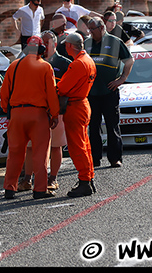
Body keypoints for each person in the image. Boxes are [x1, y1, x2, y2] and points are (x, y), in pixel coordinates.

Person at [0, 35, 60, 200]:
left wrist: (8, 111)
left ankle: (10, 188)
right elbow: (51, 95)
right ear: (41, 50)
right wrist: (54, 114)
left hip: (17, 115)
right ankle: (40, 190)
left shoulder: (14, 66)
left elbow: (4, 93)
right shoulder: (45, 67)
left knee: (15, 153)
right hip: (38, 115)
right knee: (40, 154)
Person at [18, 30, 72, 192]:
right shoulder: (30, 62)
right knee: (30, 147)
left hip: (57, 112)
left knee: (56, 147)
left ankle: (53, 179)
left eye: (46, 43)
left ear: (54, 44)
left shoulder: (65, 64)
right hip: (36, 111)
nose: (43, 46)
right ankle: (27, 179)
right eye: (42, 43)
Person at [85, 17, 133, 168]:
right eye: (89, 29)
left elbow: (129, 60)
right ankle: (95, 158)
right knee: (93, 126)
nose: (90, 32)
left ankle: (115, 158)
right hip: (91, 92)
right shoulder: (87, 43)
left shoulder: (114, 42)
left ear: (101, 28)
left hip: (109, 91)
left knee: (112, 126)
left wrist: (122, 78)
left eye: (92, 29)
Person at [57, 33, 98, 197]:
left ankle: (85, 181)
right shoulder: (88, 60)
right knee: (84, 144)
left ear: (69, 46)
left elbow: (62, 88)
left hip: (75, 106)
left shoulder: (78, 64)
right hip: (82, 103)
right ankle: (88, 178)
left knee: (77, 146)